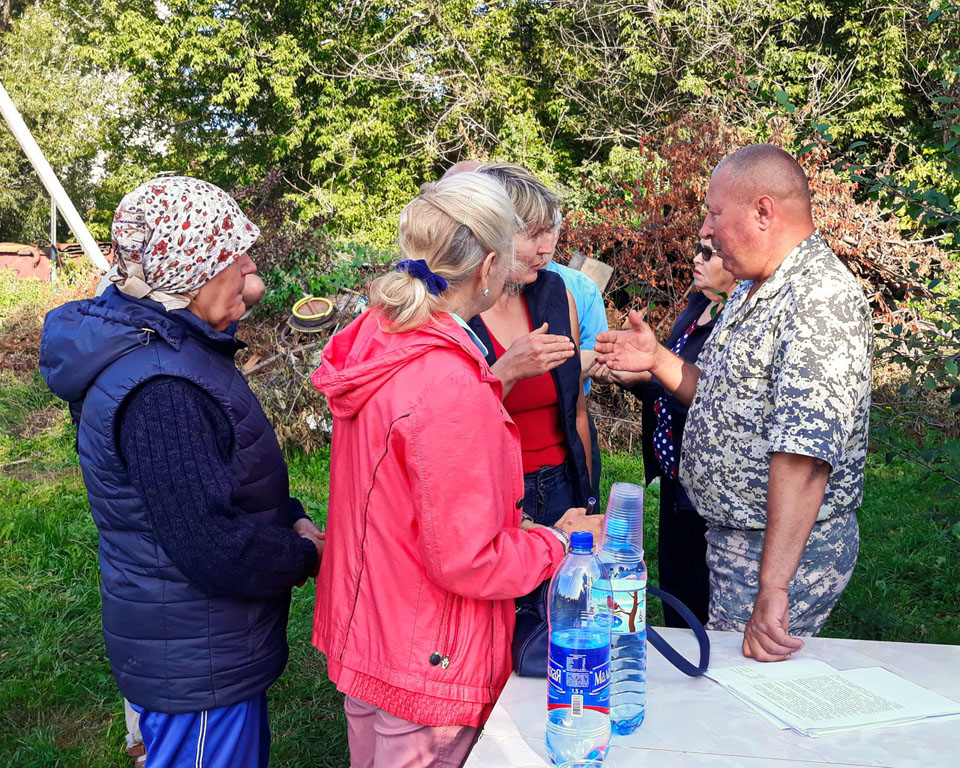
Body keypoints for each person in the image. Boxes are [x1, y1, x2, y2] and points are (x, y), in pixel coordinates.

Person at [310, 171, 602, 768]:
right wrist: (556, 540)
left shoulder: (376, 338)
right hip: (428, 659)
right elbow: (471, 559)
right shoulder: (450, 384)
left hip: (373, 630)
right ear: (491, 266)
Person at [40, 177, 324, 768]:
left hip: (206, 647)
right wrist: (306, 555)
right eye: (233, 255)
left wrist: (289, 516)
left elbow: (226, 477)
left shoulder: (176, 347)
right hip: (197, 664)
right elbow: (210, 545)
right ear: (191, 269)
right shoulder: (161, 387)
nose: (249, 269)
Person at [595, 144, 872, 661]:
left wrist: (774, 587)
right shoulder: (753, 288)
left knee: (753, 692)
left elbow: (805, 459)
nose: (707, 230)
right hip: (733, 540)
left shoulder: (818, 299)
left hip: (779, 549)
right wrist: (657, 359)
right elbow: (721, 397)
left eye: (716, 213)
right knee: (735, 683)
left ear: (763, 211)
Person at [592, 239, 736, 627]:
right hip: (676, 478)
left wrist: (648, 372)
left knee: (703, 595)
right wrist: (633, 376)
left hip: (710, 484)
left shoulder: (735, 323)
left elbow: (710, 399)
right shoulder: (697, 307)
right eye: (698, 248)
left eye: (709, 252)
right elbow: (672, 381)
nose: (696, 258)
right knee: (674, 593)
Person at [467, 163, 597, 524]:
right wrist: (506, 371)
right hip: (493, 492)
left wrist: (587, 497)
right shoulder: (456, 311)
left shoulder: (556, 296)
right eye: (533, 234)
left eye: (550, 231)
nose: (547, 249)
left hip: (560, 485)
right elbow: (451, 424)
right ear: (491, 232)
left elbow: (577, 411)